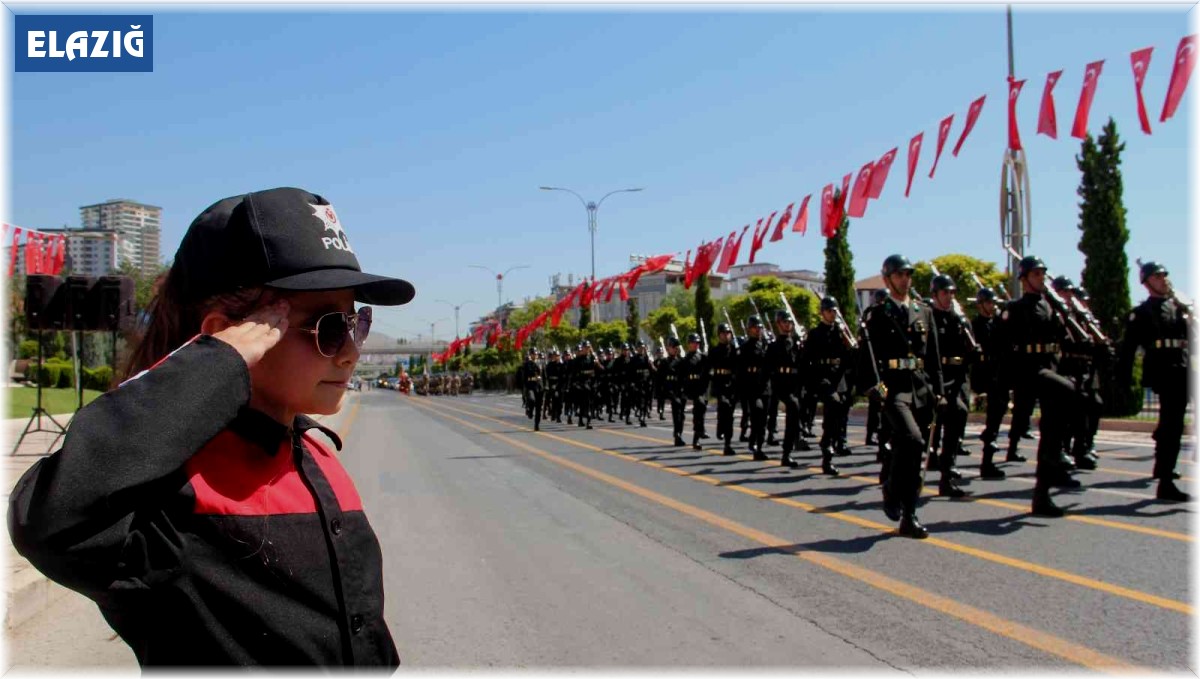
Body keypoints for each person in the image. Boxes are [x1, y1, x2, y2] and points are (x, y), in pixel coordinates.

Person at [9, 187, 409, 666]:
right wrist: (216, 365)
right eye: (327, 326)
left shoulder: (316, 454)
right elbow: (51, 519)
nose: (350, 350)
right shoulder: (171, 487)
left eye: (355, 323)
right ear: (229, 338)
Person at [858, 254, 945, 539]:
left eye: (907, 274)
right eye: (898, 275)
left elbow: (932, 357)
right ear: (887, 279)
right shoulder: (878, 314)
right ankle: (891, 488)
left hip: (920, 387)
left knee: (913, 453)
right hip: (894, 388)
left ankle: (909, 514)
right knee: (912, 439)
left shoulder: (924, 312)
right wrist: (877, 391)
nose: (904, 279)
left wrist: (939, 389)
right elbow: (867, 359)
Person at [1003, 256, 1083, 517]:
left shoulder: (1051, 307)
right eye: (1036, 274)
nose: (1041, 278)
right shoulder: (1015, 308)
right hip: (1030, 372)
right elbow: (1000, 348)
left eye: (1042, 274)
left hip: (1050, 369)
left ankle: (1042, 495)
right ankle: (1059, 452)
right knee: (1070, 390)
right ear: (1024, 279)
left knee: (1050, 434)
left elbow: (1064, 339)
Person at [1118, 261, 1192, 502]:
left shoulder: (1179, 308)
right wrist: (1124, 380)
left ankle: (1164, 466)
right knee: (1173, 424)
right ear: (1147, 282)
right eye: (1157, 276)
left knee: (1172, 424)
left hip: (1183, 369)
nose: (1163, 280)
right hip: (1164, 370)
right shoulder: (1141, 313)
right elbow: (1128, 349)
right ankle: (1166, 480)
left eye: (1164, 276)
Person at [927, 274, 974, 498]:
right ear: (935, 295)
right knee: (928, 429)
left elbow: (969, 350)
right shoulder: (929, 318)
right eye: (945, 292)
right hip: (937, 376)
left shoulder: (958, 319)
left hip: (957, 377)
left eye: (952, 293)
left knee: (958, 417)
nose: (949, 297)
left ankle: (946, 475)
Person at [806, 296, 855, 475]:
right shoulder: (815, 333)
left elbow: (848, 359)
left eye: (834, 311)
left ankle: (830, 441)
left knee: (838, 413)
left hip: (838, 378)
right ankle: (827, 449)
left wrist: (851, 347)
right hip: (822, 377)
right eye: (829, 311)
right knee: (833, 403)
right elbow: (806, 359)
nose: (832, 314)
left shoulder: (841, 332)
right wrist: (810, 383)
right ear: (822, 313)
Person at [969, 286, 1010, 480]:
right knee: (993, 416)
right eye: (988, 302)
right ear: (980, 305)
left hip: (998, 373)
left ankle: (988, 461)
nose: (992, 306)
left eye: (993, 302)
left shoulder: (998, 323)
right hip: (984, 375)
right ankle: (986, 462)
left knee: (997, 414)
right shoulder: (975, 324)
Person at [766, 309, 808, 470]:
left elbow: (803, 365)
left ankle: (788, 451)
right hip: (779, 384)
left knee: (796, 410)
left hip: (795, 384)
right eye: (784, 322)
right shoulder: (773, 346)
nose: (787, 325)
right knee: (793, 405)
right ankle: (790, 443)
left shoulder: (797, 344)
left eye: (789, 322)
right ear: (778, 324)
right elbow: (767, 369)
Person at [738, 316, 772, 461]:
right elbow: (740, 370)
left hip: (764, 385)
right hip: (751, 386)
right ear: (749, 329)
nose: (758, 330)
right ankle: (757, 448)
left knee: (763, 418)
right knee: (757, 413)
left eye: (760, 327)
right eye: (755, 327)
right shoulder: (745, 347)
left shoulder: (766, 345)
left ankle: (757, 442)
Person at [709, 323, 739, 455]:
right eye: (723, 333)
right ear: (719, 335)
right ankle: (720, 425)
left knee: (730, 415)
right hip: (719, 383)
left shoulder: (735, 350)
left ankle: (728, 443)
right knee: (724, 407)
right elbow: (707, 368)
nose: (725, 335)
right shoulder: (714, 351)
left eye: (728, 333)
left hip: (731, 385)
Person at [681, 333, 711, 450]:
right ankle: (697, 437)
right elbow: (682, 375)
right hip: (691, 387)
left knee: (701, 410)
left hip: (701, 386)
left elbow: (708, 372)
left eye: (697, 343)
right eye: (693, 342)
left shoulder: (703, 357)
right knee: (699, 407)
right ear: (689, 344)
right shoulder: (686, 359)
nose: (695, 345)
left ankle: (699, 432)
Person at [663, 337, 686, 446]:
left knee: (681, 415)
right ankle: (677, 435)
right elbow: (660, 379)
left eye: (676, 347)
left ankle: (678, 433)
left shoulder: (682, 361)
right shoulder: (665, 362)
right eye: (673, 347)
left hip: (681, 390)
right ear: (668, 349)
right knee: (676, 413)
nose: (675, 349)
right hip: (671, 391)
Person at [518, 347, 544, 431]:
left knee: (539, 407)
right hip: (530, 386)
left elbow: (544, 376)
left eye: (535, 354)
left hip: (539, 386)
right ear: (530, 355)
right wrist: (524, 387)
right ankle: (530, 410)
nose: (534, 355)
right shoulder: (527, 364)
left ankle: (537, 424)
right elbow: (523, 377)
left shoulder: (541, 363)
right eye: (533, 354)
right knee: (532, 400)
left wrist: (545, 386)